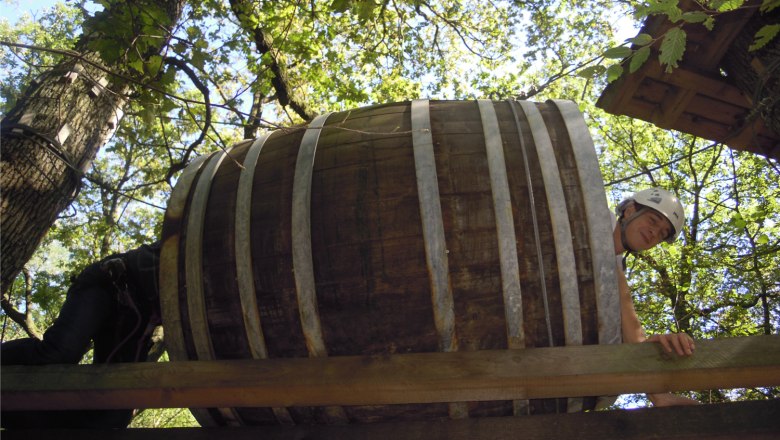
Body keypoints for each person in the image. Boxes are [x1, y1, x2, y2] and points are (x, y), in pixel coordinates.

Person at [1, 241, 162, 428]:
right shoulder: (190, 243)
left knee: (116, 413)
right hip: (110, 281)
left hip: (133, 320)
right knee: (59, 352)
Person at [612, 187, 699, 407]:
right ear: (630, 211)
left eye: (661, 233)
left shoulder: (614, 270)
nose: (654, 233)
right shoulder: (594, 215)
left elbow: (635, 336)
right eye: (653, 221)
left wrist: (659, 395)